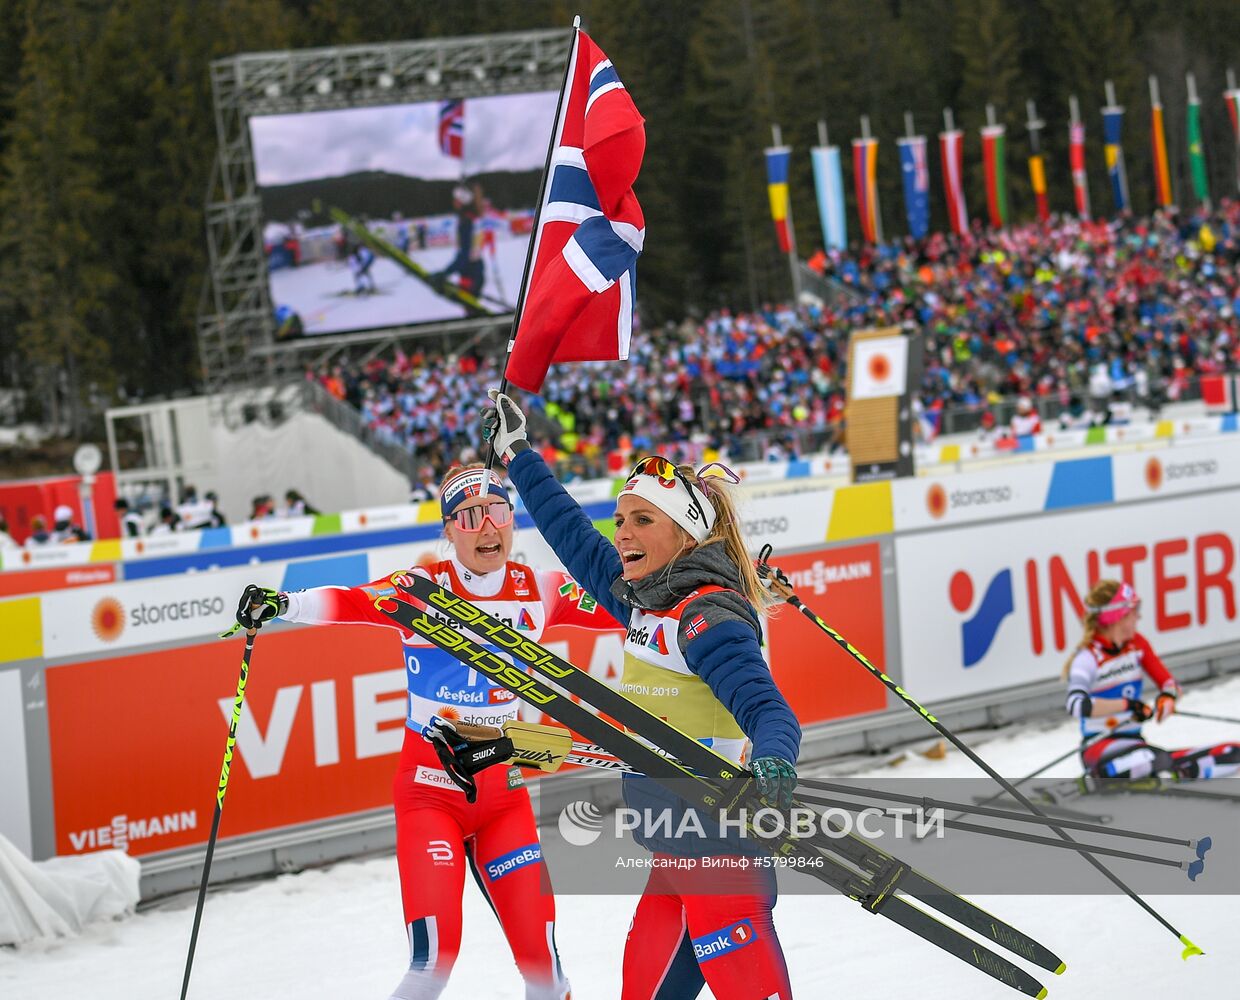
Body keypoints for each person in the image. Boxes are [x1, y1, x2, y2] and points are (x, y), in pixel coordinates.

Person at [233, 464, 620, 1000]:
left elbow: (626, 610)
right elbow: (349, 602)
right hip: (430, 795)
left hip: (502, 798)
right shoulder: (420, 591)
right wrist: (282, 605)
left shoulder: (540, 589)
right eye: (470, 517)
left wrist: (705, 600)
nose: (488, 527)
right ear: (449, 530)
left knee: (543, 966)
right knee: (434, 960)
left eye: (498, 511)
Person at [484, 391, 801, 1000]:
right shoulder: (641, 600)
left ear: (685, 536)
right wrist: (517, 453)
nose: (622, 533)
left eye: (643, 520)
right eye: (621, 519)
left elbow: (768, 710)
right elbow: (571, 532)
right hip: (672, 861)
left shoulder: (706, 617)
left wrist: (774, 760)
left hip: (722, 868)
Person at [1064, 580, 1239, 782]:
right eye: (1134, 611)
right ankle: (1094, 780)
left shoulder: (1137, 645)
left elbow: (1169, 684)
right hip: (1099, 747)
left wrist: (1167, 698)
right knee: (1149, 758)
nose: (1138, 616)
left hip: (1135, 744)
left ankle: (1169, 775)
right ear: (1118, 617)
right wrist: (1129, 706)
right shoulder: (1087, 658)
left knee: (1232, 752)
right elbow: (1076, 705)